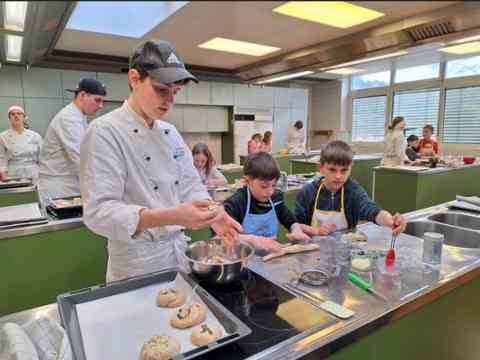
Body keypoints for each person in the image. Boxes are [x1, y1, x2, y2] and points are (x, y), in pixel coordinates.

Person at [79, 39, 242, 282]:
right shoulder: (104, 131)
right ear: (134, 78)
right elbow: (99, 213)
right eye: (161, 89)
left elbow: (190, 185)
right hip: (136, 262)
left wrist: (214, 214)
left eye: (175, 92)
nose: (169, 100)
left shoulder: (170, 133)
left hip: (177, 255)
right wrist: (174, 216)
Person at [295, 140, 406, 236]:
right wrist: (315, 230)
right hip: (312, 251)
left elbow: (370, 209)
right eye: (332, 169)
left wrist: (390, 221)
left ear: (350, 169)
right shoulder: (307, 192)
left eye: (344, 170)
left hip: (345, 252)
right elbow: (296, 225)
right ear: (321, 168)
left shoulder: (353, 191)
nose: (338, 176)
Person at [222, 152, 311, 251]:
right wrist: (255, 240)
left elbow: (290, 220)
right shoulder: (236, 203)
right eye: (264, 186)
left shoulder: (275, 198)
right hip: (243, 259)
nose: (270, 192)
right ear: (247, 181)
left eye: (273, 185)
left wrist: (296, 230)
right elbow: (221, 237)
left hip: (270, 259)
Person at [38, 78, 106, 201]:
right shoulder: (69, 118)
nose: (101, 106)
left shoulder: (78, 117)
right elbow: (80, 157)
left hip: (69, 183)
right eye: (97, 100)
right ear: (83, 95)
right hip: (60, 187)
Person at [0, 105, 43, 182]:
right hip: (13, 172)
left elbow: (42, 157)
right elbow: (1, 158)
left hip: (33, 171)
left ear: (24, 117)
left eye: (19, 113)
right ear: (9, 118)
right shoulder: (2, 136)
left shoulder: (35, 136)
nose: (16, 116)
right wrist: (3, 174)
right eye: (12, 114)